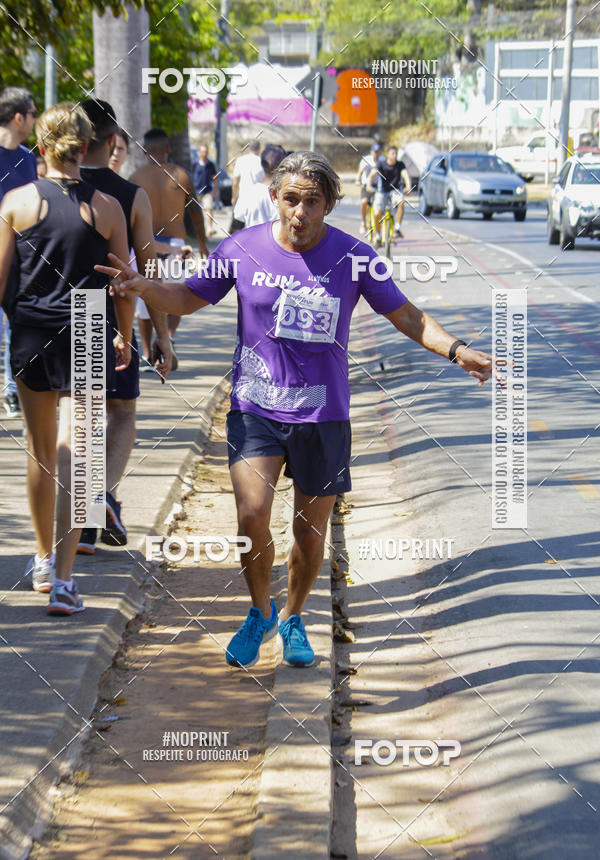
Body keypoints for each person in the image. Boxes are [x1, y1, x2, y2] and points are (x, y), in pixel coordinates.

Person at [97, 151, 493, 668]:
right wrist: (144, 287)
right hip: (255, 408)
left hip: (324, 417)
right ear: (274, 198)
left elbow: (406, 314)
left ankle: (294, 616)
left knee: (309, 532)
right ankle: (260, 611)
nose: (299, 212)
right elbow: (190, 296)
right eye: (290, 200)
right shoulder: (242, 247)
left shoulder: (354, 256)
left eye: (312, 201)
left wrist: (457, 349)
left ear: (329, 203)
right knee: (252, 513)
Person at [0, 102, 134, 613]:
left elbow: (0, 280)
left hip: (32, 327)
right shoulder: (107, 208)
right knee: (80, 451)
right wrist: (124, 334)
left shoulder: (16, 202)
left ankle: (39, 558)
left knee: (38, 450)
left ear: (41, 146)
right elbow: (123, 284)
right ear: (85, 148)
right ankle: (64, 579)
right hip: (86, 323)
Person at [78, 99, 173, 556]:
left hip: (60, 317)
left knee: (74, 420)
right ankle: (100, 497)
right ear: (113, 140)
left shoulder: (45, 190)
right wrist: (162, 337)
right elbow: (148, 271)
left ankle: (75, 527)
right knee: (121, 413)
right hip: (113, 318)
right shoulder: (131, 196)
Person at [130, 127, 208, 359]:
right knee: (176, 295)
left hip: (147, 245)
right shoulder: (181, 175)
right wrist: (203, 244)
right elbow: (196, 212)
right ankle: (169, 336)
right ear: (168, 148)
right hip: (176, 245)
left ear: (145, 150)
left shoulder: (136, 178)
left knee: (146, 300)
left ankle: (146, 353)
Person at [0, 87, 38, 418]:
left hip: (20, 261)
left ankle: (12, 391)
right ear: (18, 117)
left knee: (16, 328)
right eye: (33, 113)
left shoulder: (28, 159)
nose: (35, 120)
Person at [233, 143, 287, 228]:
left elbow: (238, 220)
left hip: (252, 240)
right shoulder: (288, 196)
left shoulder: (249, 193)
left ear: (262, 164)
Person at [367, 144, 411, 243]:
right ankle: (378, 236)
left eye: (396, 153)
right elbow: (372, 175)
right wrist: (368, 185)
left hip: (395, 191)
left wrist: (408, 186)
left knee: (402, 202)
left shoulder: (400, 164)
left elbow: (405, 175)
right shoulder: (381, 164)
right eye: (393, 153)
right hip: (382, 191)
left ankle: (397, 228)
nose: (395, 155)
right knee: (377, 212)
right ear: (387, 154)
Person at [229, 139, 263, 232]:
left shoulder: (241, 160)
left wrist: (234, 197)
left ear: (248, 148)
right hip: (257, 199)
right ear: (259, 149)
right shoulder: (262, 162)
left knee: (236, 228)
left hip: (243, 198)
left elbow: (235, 181)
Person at [192, 143, 218, 236]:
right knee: (196, 211)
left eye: (206, 152)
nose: (204, 153)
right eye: (202, 152)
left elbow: (214, 177)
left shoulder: (210, 164)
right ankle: (198, 230)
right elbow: (191, 176)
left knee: (209, 209)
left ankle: (209, 228)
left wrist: (215, 189)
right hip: (196, 191)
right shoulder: (195, 164)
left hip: (207, 191)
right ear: (199, 153)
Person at [355, 142, 381, 235]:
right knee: (364, 202)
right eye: (375, 152)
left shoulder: (382, 160)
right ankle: (363, 222)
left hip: (378, 186)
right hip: (366, 184)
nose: (376, 154)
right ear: (371, 152)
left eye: (378, 152)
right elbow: (360, 172)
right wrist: (358, 180)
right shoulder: (366, 160)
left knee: (379, 206)